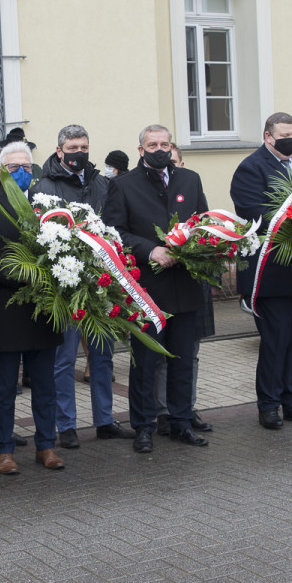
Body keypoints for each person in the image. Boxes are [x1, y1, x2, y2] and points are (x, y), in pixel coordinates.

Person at [102, 124, 210, 453]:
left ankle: (180, 421)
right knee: (145, 362)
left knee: (182, 360)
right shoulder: (123, 185)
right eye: (152, 144)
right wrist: (151, 250)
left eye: (164, 143)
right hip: (147, 291)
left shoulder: (189, 179)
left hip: (186, 285)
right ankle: (144, 425)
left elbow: (203, 220)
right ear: (141, 150)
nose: (159, 149)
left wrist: (197, 245)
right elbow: (115, 231)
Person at [34, 124, 133, 449]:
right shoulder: (44, 185)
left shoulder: (102, 182)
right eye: (73, 147)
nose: (79, 153)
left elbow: (115, 221)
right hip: (66, 283)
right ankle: (67, 425)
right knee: (64, 359)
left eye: (84, 147)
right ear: (60, 150)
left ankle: (104, 419)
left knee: (103, 356)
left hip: (101, 280)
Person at [0, 140, 66, 475]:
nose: (23, 173)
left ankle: (46, 445)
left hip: (43, 310)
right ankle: (3, 449)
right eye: (15, 168)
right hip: (5, 307)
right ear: (0, 172)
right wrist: (26, 275)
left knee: (44, 385)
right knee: (3, 387)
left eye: (27, 167)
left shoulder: (45, 204)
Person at [230, 112, 292, 429]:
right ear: (268, 136)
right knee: (275, 342)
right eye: (285, 134)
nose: (291, 139)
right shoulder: (251, 168)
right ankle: (269, 405)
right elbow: (253, 214)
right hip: (269, 272)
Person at [154, 142, 214, 435]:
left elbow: (204, 222)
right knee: (164, 354)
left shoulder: (191, 183)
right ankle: (164, 410)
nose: (172, 168)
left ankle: (187, 408)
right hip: (162, 280)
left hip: (192, 282)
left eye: (176, 163)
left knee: (191, 352)